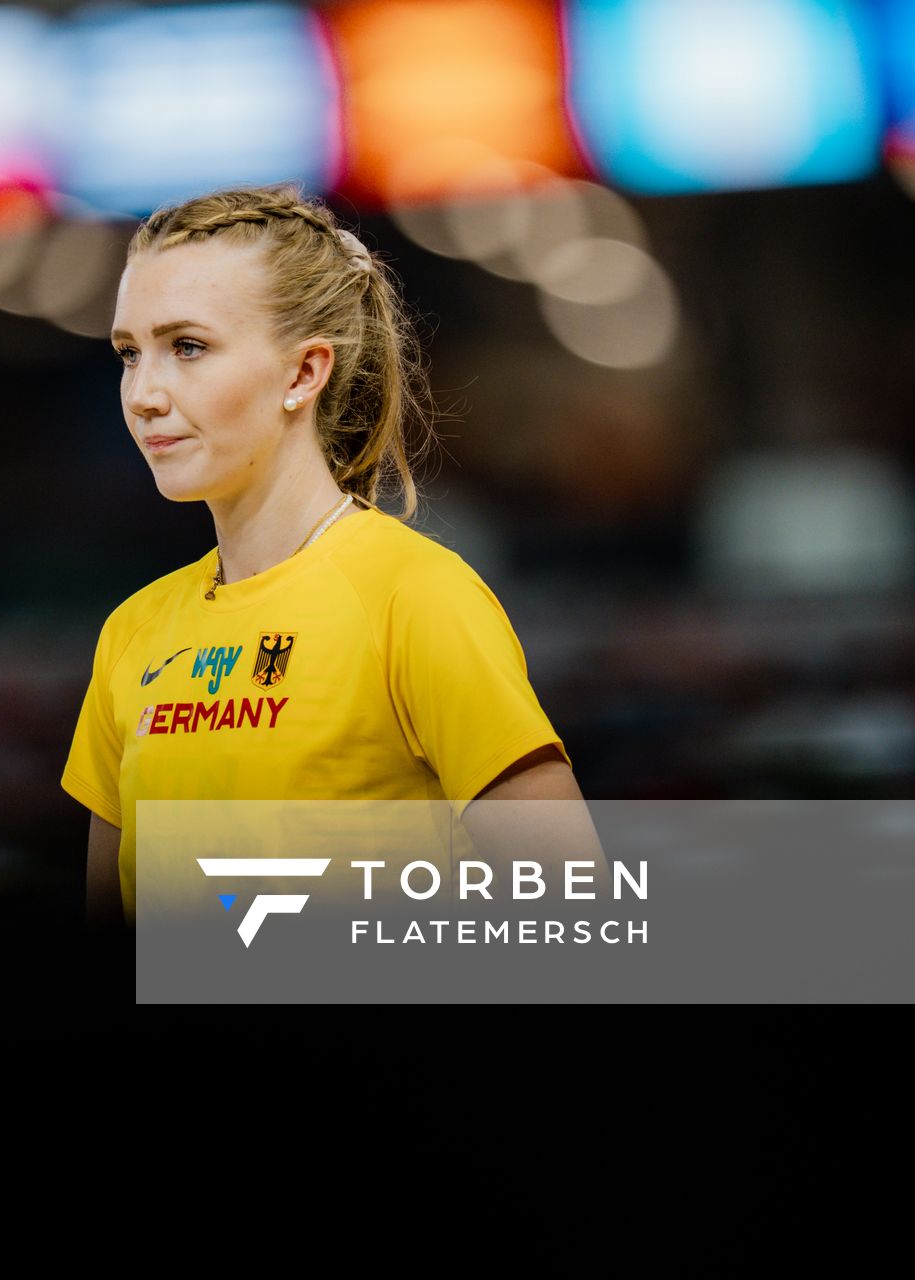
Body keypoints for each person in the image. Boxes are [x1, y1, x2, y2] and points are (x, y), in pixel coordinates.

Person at [61, 183, 596, 930]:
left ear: (304, 373)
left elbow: (572, 912)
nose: (144, 393)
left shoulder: (415, 599)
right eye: (128, 353)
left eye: (188, 347)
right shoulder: (132, 633)